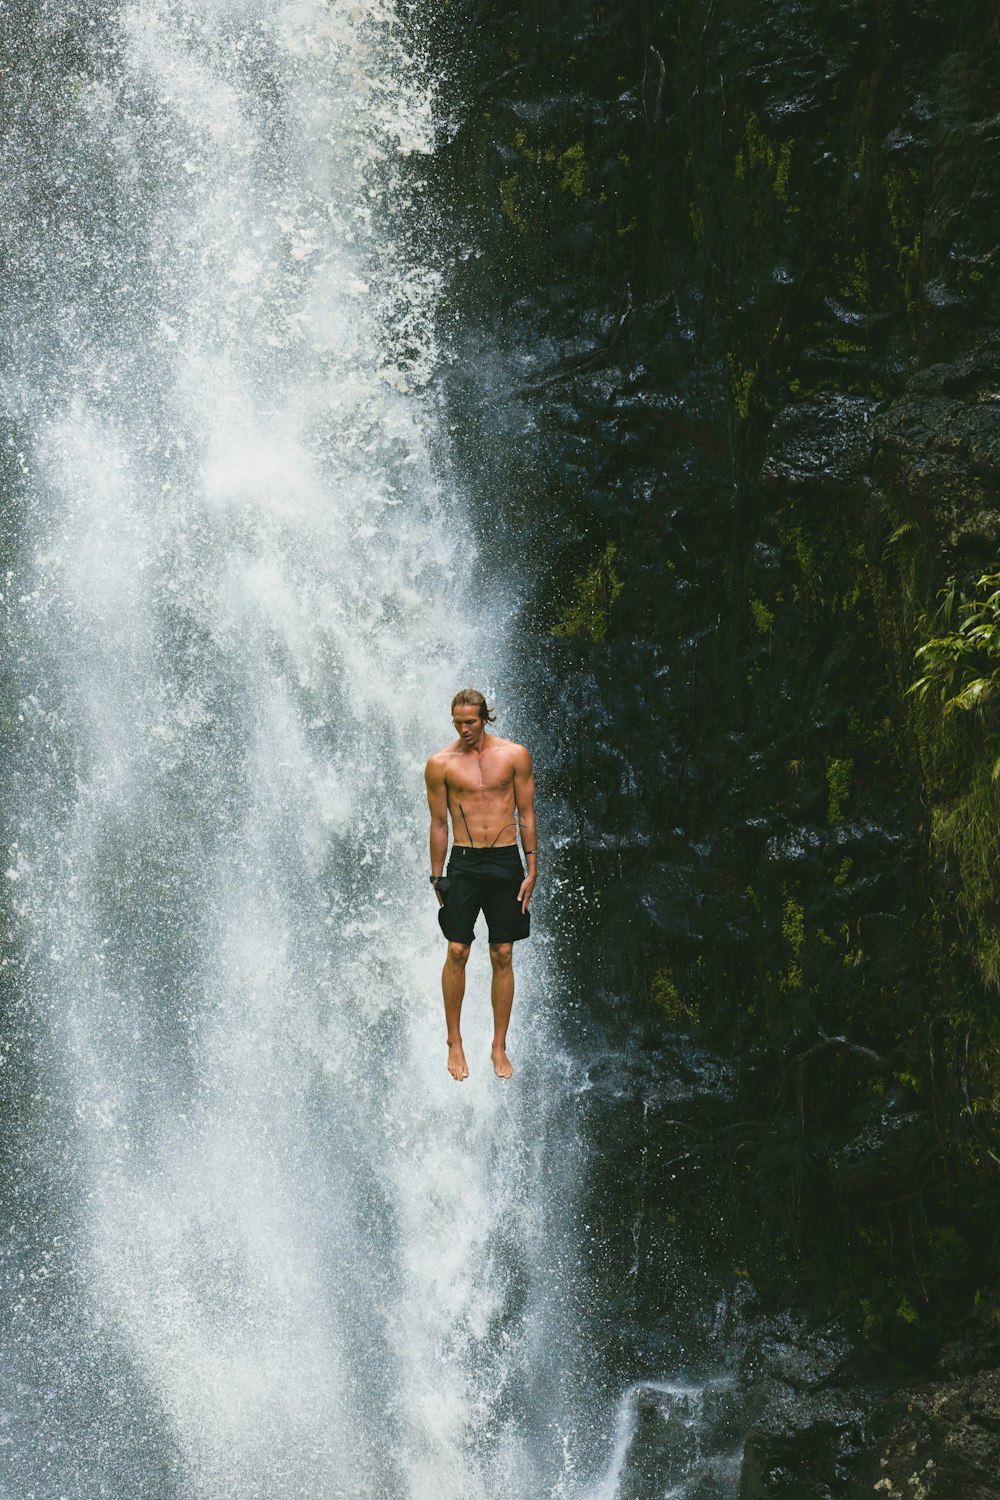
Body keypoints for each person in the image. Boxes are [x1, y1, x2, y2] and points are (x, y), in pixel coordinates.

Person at [424, 689, 537, 1081]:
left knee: (503, 953)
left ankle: (498, 1045)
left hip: (506, 860)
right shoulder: (441, 763)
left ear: (486, 717)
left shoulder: (514, 755)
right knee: (457, 949)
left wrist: (532, 866)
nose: (464, 729)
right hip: (466, 861)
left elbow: (526, 812)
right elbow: (439, 823)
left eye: (470, 721)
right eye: (458, 722)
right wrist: (437, 873)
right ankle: (454, 1040)